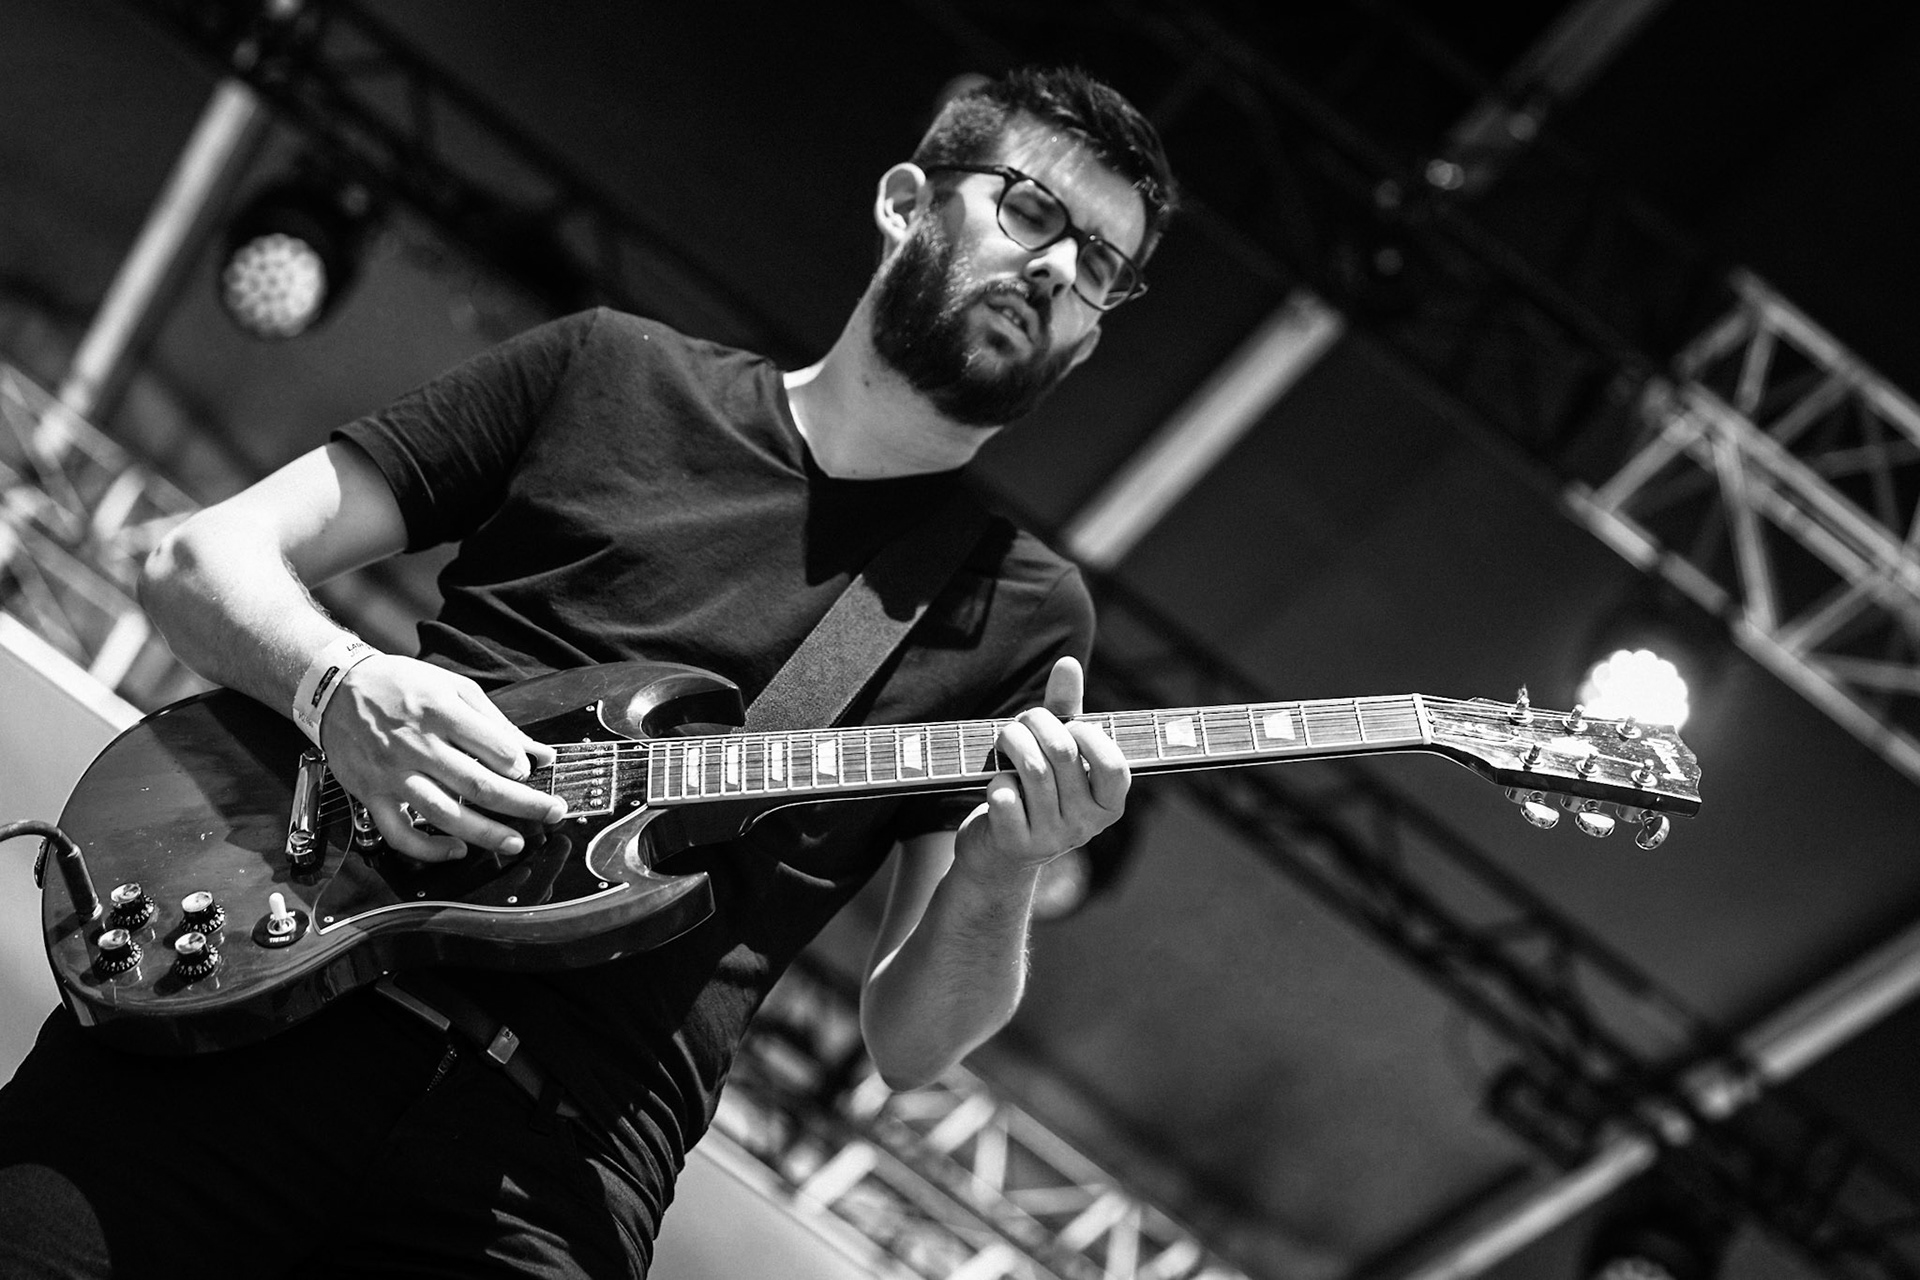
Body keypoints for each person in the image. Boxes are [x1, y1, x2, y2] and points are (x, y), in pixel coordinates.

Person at [0, 65, 1177, 1277]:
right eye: (1033, 210)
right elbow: (202, 558)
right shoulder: (611, 371)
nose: (1055, 269)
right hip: (253, 1015)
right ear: (903, 201)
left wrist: (1000, 876)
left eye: (1099, 266)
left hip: (546, 1175)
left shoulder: (1021, 608)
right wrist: (340, 686)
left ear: (1094, 335)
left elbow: (913, 1041)